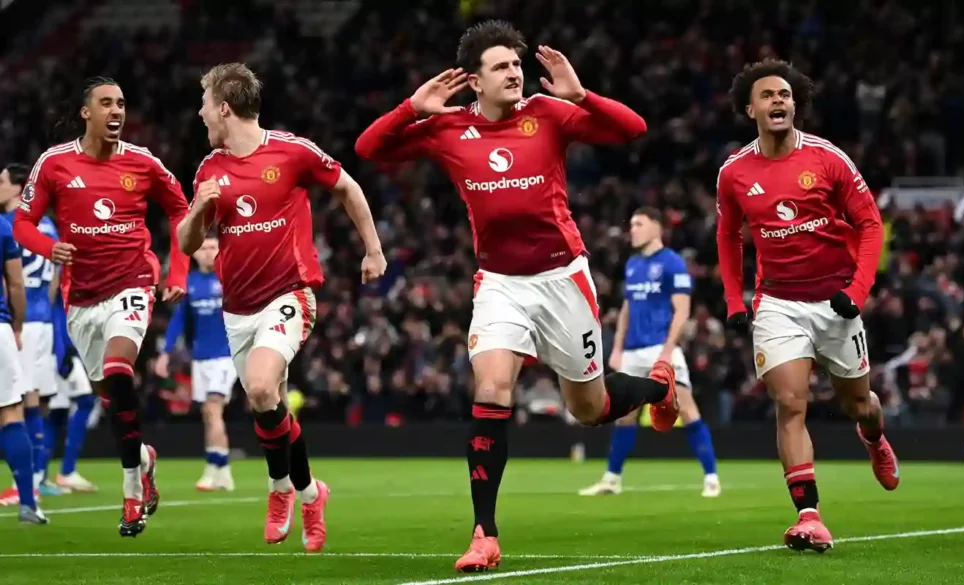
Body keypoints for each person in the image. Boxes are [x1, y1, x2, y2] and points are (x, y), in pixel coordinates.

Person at [356, 20, 679, 573]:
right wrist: (412, 107)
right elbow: (369, 148)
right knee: (492, 387)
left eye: (516, 64)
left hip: (562, 279)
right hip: (499, 284)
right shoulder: (448, 127)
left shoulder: (548, 114)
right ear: (474, 81)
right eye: (501, 66)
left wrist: (581, 95)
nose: (515, 73)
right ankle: (485, 533)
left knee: (589, 409)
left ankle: (656, 387)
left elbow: (633, 128)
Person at [176, 63, 386, 552]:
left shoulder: (292, 152)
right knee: (266, 406)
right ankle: (312, 493)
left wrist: (373, 250)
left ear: (224, 108)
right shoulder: (210, 171)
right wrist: (196, 209)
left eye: (205, 103)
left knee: (262, 386)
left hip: (289, 294)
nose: (201, 112)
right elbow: (187, 245)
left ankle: (278, 490)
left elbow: (348, 187)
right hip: (238, 309)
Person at [715, 58, 900, 552]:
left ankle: (875, 438)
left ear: (795, 105)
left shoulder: (827, 158)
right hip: (778, 301)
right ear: (749, 108)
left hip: (836, 300)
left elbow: (870, 225)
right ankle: (809, 515)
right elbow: (728, 237)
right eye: (768, 95)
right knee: (789, 402)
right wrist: (735, 299)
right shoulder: (734, 172)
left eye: (785, 95)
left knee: (859, 404)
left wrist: (856, 293)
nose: (779, 100)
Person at [13, 77, 191, 537]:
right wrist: (47, 248)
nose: (117, 111)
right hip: (81, 299)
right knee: (111, 402)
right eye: (107, 103)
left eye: (122, 103)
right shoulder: (54, 164)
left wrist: (176, 274)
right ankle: (145, 459)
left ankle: (131, 495)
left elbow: (180, 212)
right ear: (85, 112)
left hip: (132, 282)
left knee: (118, 371)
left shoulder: (142, 162)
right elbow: (23, 223)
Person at [579, 207, 720, 498]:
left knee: (688, 409)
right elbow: (627, 310)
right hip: (632, 351)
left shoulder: (672, 263)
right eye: (631, 223)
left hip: (660, 348)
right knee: (624, 417)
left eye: (639, 223)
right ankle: (611, 479)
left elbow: (682, 310)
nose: (633, 229)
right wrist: (617, 349)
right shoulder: (632, 265)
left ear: (656, 227)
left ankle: (711, 477)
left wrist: (668, 351)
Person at [0, 163, 64, 499]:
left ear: (18, 188)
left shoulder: (10, 225)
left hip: (19, 322)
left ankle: (26, 485)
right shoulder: (49, 225)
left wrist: (17, 322)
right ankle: (40, 474)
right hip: (44, 318)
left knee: (19, 400)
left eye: (2, 182)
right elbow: (55, 277)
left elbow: (13, 282)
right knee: (36, 398)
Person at [155, 235, 236, 492]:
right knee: (208, 414)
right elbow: (179, 321)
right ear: (195, 253)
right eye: (203, 248)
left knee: (213, 409)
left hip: (226, 355)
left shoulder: (230, 278)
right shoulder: (190, 283)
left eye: (213, 247)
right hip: (201, 358)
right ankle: (222, 471)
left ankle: (214, 469)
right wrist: (165, 353)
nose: (209, 252)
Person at [0, 214, 47, 523]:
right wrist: (16, 325)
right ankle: (28, 504)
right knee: (10, 412)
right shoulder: (3, 227)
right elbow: (16, 283)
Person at [48, 291, 98, 493]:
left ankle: (42, 475)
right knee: (85, 402)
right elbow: (54, 307)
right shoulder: (59, 271)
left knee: (56, 412)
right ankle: (66, 471)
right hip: (60, 350)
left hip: (60, 347)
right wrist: (62, 351)